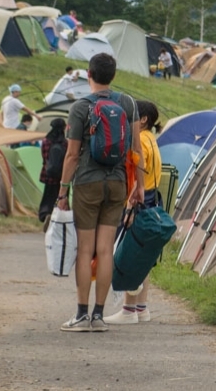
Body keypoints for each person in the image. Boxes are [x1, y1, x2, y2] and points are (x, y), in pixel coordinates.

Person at [55, 52, 140, 332]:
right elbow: (135, 150)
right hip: (117, 183)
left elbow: (71, 154)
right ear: (113, 76)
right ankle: (99, 316)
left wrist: (62, 190)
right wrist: (137, 185)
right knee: (105, 250)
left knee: (85, 250)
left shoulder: (80, 107)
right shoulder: (127, 103)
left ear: (89, 75)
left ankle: (80, 315)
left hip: (87, 183)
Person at [106, 100, 162, 325]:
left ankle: (128, 310)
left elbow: (137, 168)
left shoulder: (140, 142)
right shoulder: (152, 139)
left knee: (129, 253)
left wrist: (128, 201)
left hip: (137, 199)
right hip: (152, 198)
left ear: (143, 119)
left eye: (130, 116)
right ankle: (141, 308)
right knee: (144, 256)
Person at [38, 118, 68, 223]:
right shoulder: (65, 143)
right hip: (62, 176)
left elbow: (44, 157)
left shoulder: (46, 141)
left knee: (48, 195)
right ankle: (58, 217)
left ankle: (45, 214)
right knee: (60, 196)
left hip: (48, 174)